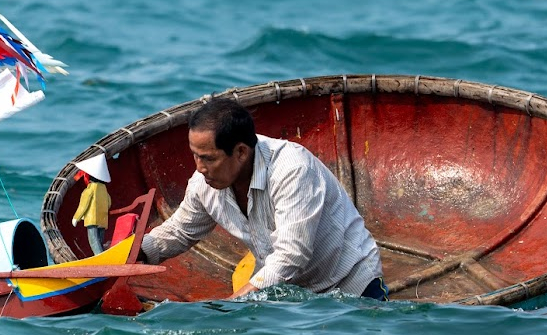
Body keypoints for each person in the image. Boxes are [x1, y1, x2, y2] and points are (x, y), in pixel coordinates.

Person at [139, 98, 386, 301]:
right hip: (290, 295)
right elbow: (179, 231)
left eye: (209, 159)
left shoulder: (292, 169)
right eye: (195, 156)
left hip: (350, 286)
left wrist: (234, 303)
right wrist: (131, 254)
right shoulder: (204, 182)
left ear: (241, 152)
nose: (200, 167)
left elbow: (292, 254)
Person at [71, 153, 112, 254]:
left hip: (92, 219)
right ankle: (102, 253)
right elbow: (109, 203)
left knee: (93, 240)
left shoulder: (90, 189)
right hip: (102, 219)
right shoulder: (104, 189)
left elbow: (84, 205)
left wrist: (76, 217)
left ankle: (100, 256)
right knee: (100, 240)